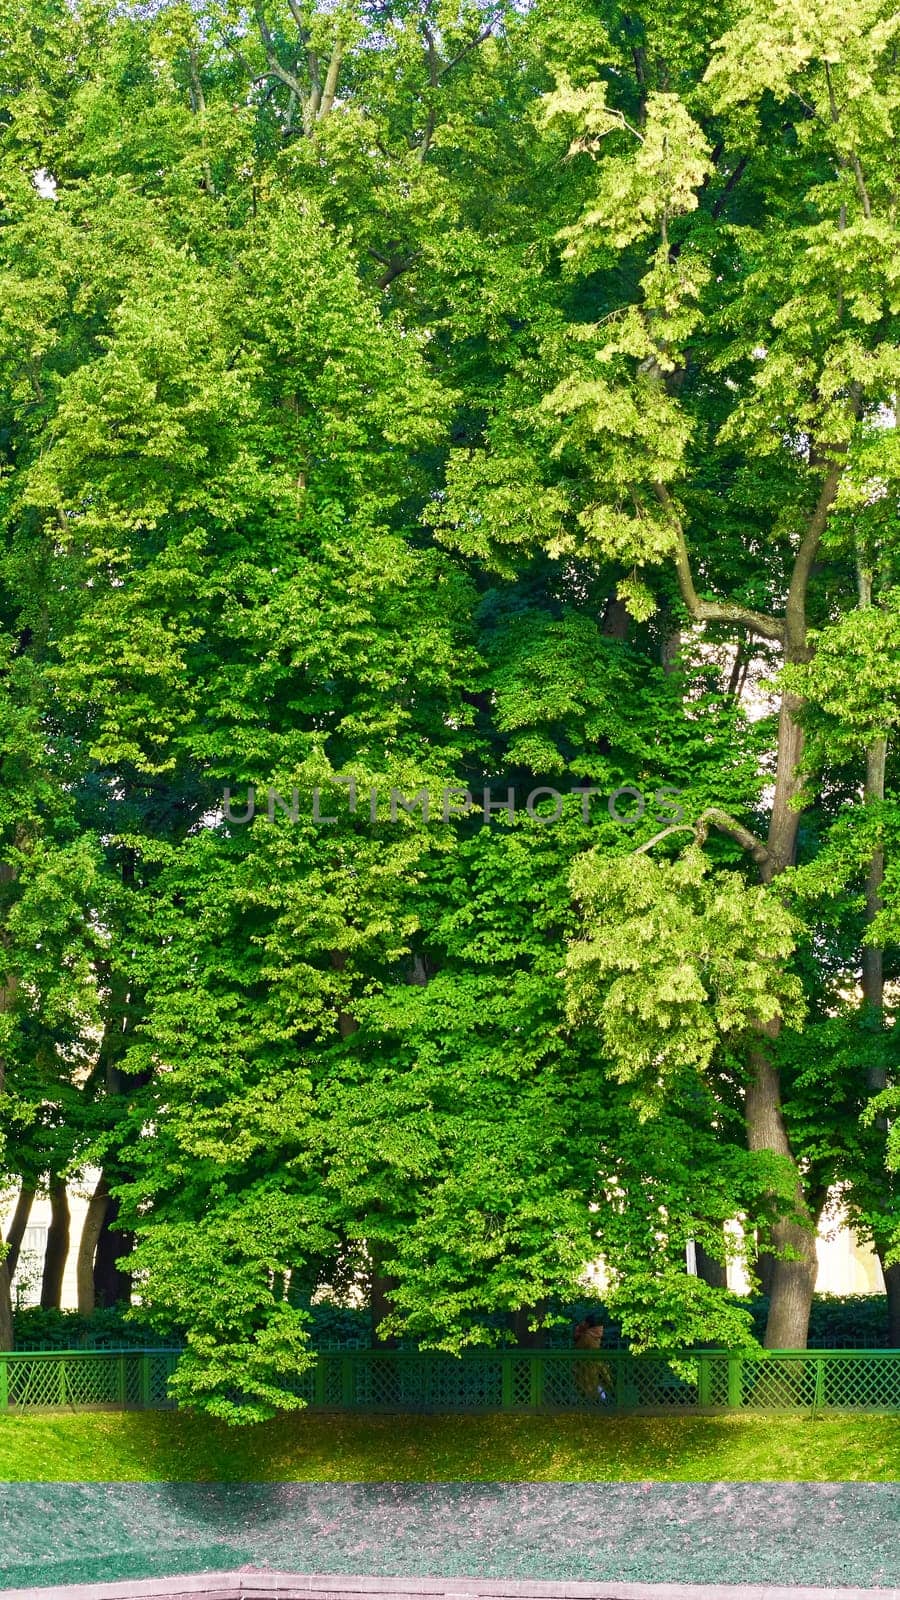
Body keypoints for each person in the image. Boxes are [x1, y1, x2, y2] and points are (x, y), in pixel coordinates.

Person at [573, 1313, 612, 1402]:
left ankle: (597, 1401)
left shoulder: (587, 1335)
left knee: (589, 1384)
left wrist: (577, 1336)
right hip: (597, 1362)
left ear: (588, 1324)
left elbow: (579, 1347)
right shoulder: (596, 1334)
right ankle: (603, 1400)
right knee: (598, 1383)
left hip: (587, 1364)